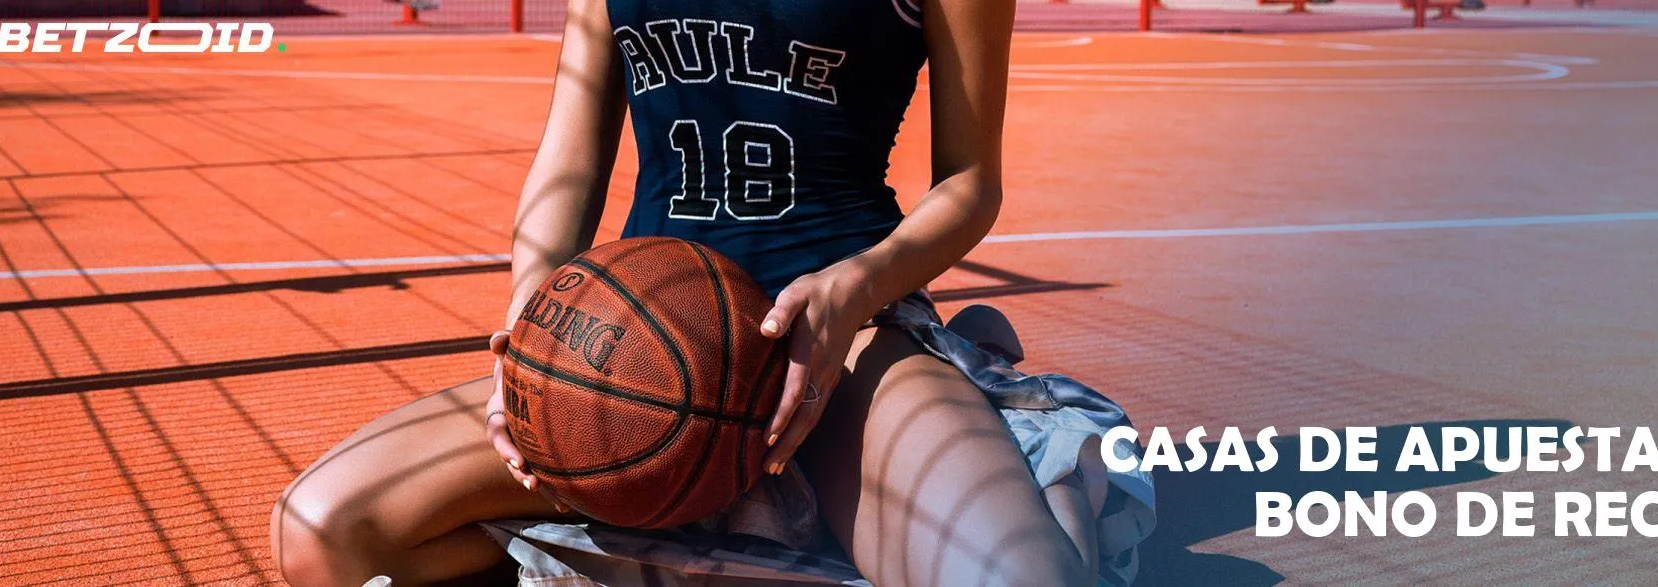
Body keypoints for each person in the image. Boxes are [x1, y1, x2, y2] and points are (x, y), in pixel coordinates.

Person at [270, 0, 1152, 584]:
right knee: (317, 531)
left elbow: (968, 181)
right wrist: (535, 332)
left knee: (1024, 577)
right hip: (635, 351)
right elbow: (571, 164)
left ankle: (1021, 443)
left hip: (841, 332)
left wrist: (856, 285)